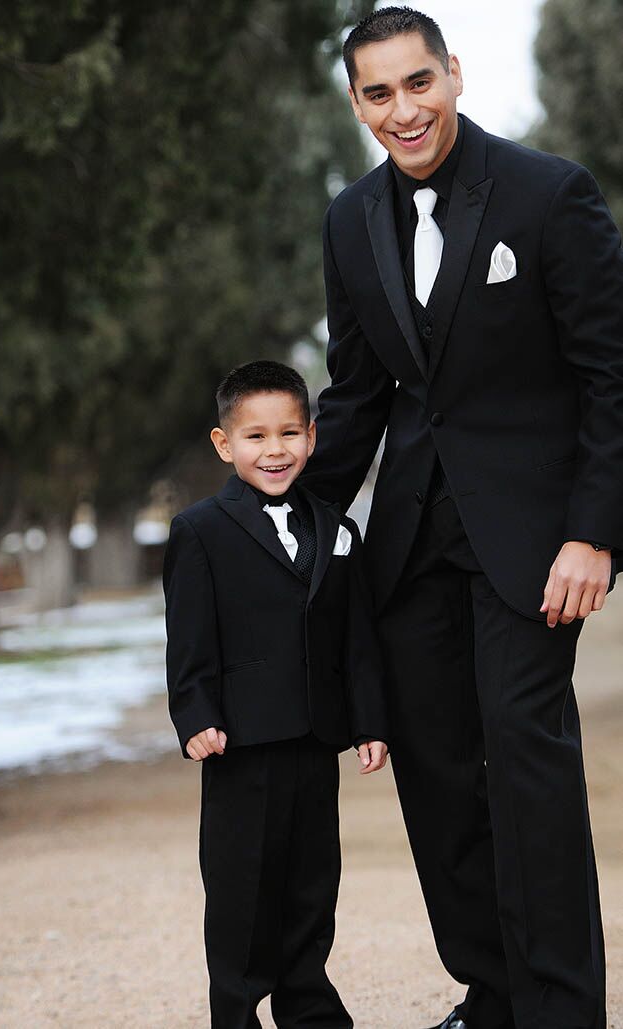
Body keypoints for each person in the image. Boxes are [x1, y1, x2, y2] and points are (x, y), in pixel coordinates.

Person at [301, 7, 623, 1029]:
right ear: (357, 105)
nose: (405, 110)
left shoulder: (547, 192)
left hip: (534, 547)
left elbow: (612, 376)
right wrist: (278, 521)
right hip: (410, 543)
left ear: (455, 74)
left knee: (525, 764)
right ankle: (494, 992)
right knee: (438, 777)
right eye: (379, 94)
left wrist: (596, 533)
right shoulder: (350, 220)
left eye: (418, 83)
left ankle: (563, 1009)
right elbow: (356, 394)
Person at [163, 360, 390, 1029]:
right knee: (241, 890)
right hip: (241, 742)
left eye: (289, 432)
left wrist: (369, 720)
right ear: (224, 443)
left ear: (313, 437)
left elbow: (357, 641)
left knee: (312, 883)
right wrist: (195, 714)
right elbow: (190, 640)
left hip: (316, 738)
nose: (275, 449)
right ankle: (235, 1011)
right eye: (256, 436)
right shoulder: (200, 530)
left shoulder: (337, 529)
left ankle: (310, 1005)